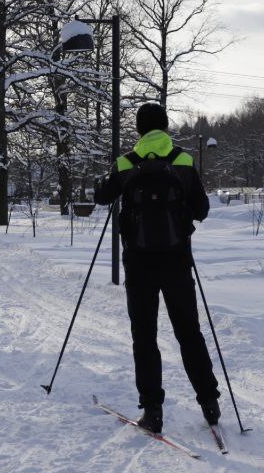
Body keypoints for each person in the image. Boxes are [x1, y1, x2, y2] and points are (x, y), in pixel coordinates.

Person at [94, 102, 221, 434]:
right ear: (165, 127)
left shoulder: (125, 164)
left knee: (145, 336)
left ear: (138, 130)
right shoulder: (183, 161)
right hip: (177, 260)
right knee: (188, 332)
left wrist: (108, 180)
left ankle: (153, 411)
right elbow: (202, 209)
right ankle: (209, 402)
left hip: (138, 264)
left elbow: (101, 197)